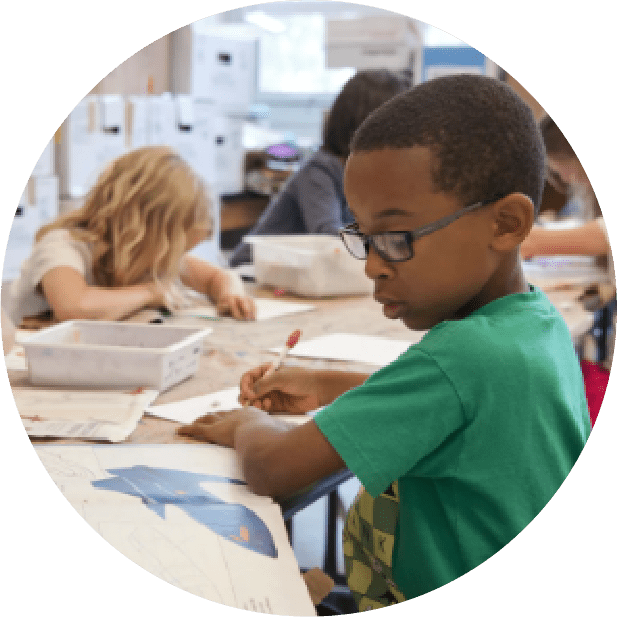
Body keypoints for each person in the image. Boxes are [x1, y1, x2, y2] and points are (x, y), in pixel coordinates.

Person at [178, 75, 590, 608]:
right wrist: (330, 384)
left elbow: (273, 469)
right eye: (363, 237)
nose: (371, 264)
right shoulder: (536, 325)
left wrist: (246, 424)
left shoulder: (462, 357)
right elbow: (474, 408)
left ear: (507, 224)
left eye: (396, 240)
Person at [5, 146, 255, 326]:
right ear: (145, 233)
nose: (177, 258)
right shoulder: (63, 245)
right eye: (176, 248)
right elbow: (73, 305)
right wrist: (150, 292)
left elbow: (215, 277)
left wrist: (230, 293)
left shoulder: (146, 255)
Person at [228, 69, 412, 267]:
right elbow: (329, 237)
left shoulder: (368, 174)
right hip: (252, 274)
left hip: (309, 277)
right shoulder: (320, 171)